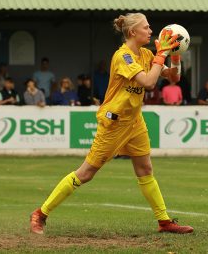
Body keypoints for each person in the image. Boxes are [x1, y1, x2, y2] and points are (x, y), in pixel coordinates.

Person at [30, 13, 193, 235]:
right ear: (133, 32)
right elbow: (148, 82)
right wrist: (161, 55)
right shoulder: (123, 56)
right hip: (113, 123)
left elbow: (173, 79)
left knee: (145, 169)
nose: (150, 30)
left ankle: (164, 221)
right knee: (86, 173)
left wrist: (174, 57)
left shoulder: (146, 54)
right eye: (146, 27)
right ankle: (41, 213)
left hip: (134, 121)